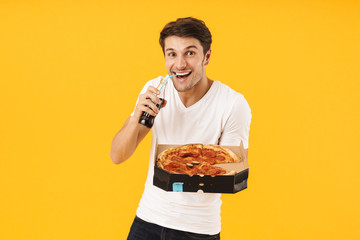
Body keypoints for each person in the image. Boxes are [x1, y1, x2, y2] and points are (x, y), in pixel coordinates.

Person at [110, 17, 252, 240]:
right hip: (147, 220)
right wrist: (137, 116)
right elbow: (117, 155)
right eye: (172, 54)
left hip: (198, 229)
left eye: (190, 53)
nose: (180, 64)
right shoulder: (155, 89)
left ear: (206, 57)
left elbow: (228, 173)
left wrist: (180, 163)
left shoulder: (233, 104)